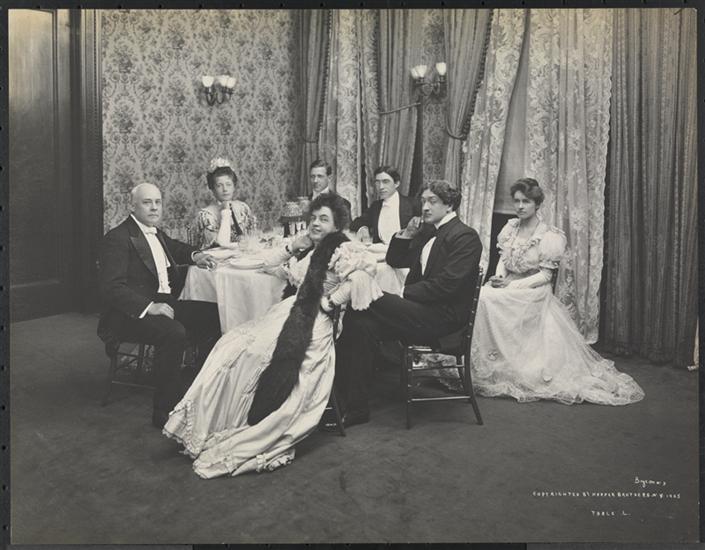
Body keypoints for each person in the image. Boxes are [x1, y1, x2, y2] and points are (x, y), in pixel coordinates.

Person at [163, 194, 383, 478]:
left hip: (315, 321)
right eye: (314, 218)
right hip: (288, 311)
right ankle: (217, 422)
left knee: (258, 355)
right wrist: (293, 246)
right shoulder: (308, 248)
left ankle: (248, 422)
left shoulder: (343, 248)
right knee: (231, 344)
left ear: (337, 225)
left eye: (324, 219)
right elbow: (266, 265)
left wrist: (330, 302)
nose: (316, 223)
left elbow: (363, 276)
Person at [471, 177, 645, 405]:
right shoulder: (510, 228)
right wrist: (500, 277)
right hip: (510, 284)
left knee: (488, 298)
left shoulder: (549, 236)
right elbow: (504, 259)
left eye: (526, 201)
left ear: (537, 204)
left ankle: (515, 363)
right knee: (482, 296)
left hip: (533, 289)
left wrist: (510, 286)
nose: (520, 206)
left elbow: (545, 276)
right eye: (517, 201)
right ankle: (491, 360)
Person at [329, 180, 482, 429]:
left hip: (441, 320)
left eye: (432, 201)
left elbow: (447, 285)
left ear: (449, 205)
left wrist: (401, 293)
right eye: (423, 201)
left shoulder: (465, 236)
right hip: (418, 314)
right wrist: (406, 234)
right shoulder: (427, 232)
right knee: (360, 321)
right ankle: (352, 407)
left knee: (365, 296)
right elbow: (395, 259)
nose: (425, 207)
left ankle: (330, 304)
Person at [97, 183, 222, 429]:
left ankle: (197, 389)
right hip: (129, 314)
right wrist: (149, 306)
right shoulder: (117, 238)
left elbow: (174, 247)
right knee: (174, 333)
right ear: (132, 206)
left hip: (162, 302)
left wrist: (196, 255)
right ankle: (164, 410)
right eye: (147, 202)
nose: (154, 207)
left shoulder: (155, 232)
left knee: (214, 315)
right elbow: (111, 287)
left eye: (158, 202)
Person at [194, 157, 255, 249]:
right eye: (219, 185)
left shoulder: (243, 208)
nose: (225, 189)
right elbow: (219, 245)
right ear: (212, 188)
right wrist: (225, 212)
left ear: (234, 186)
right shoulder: (206, 215)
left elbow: (251, 239)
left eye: (228, 184)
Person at [350, 165, 418, 244]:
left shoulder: (413, 204)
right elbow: (355, 223)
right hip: (379, 249)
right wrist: (363, 228)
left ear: (396, 183)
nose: (381, 187)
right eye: (377, 182)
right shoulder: (376, 206)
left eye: (386, 182)